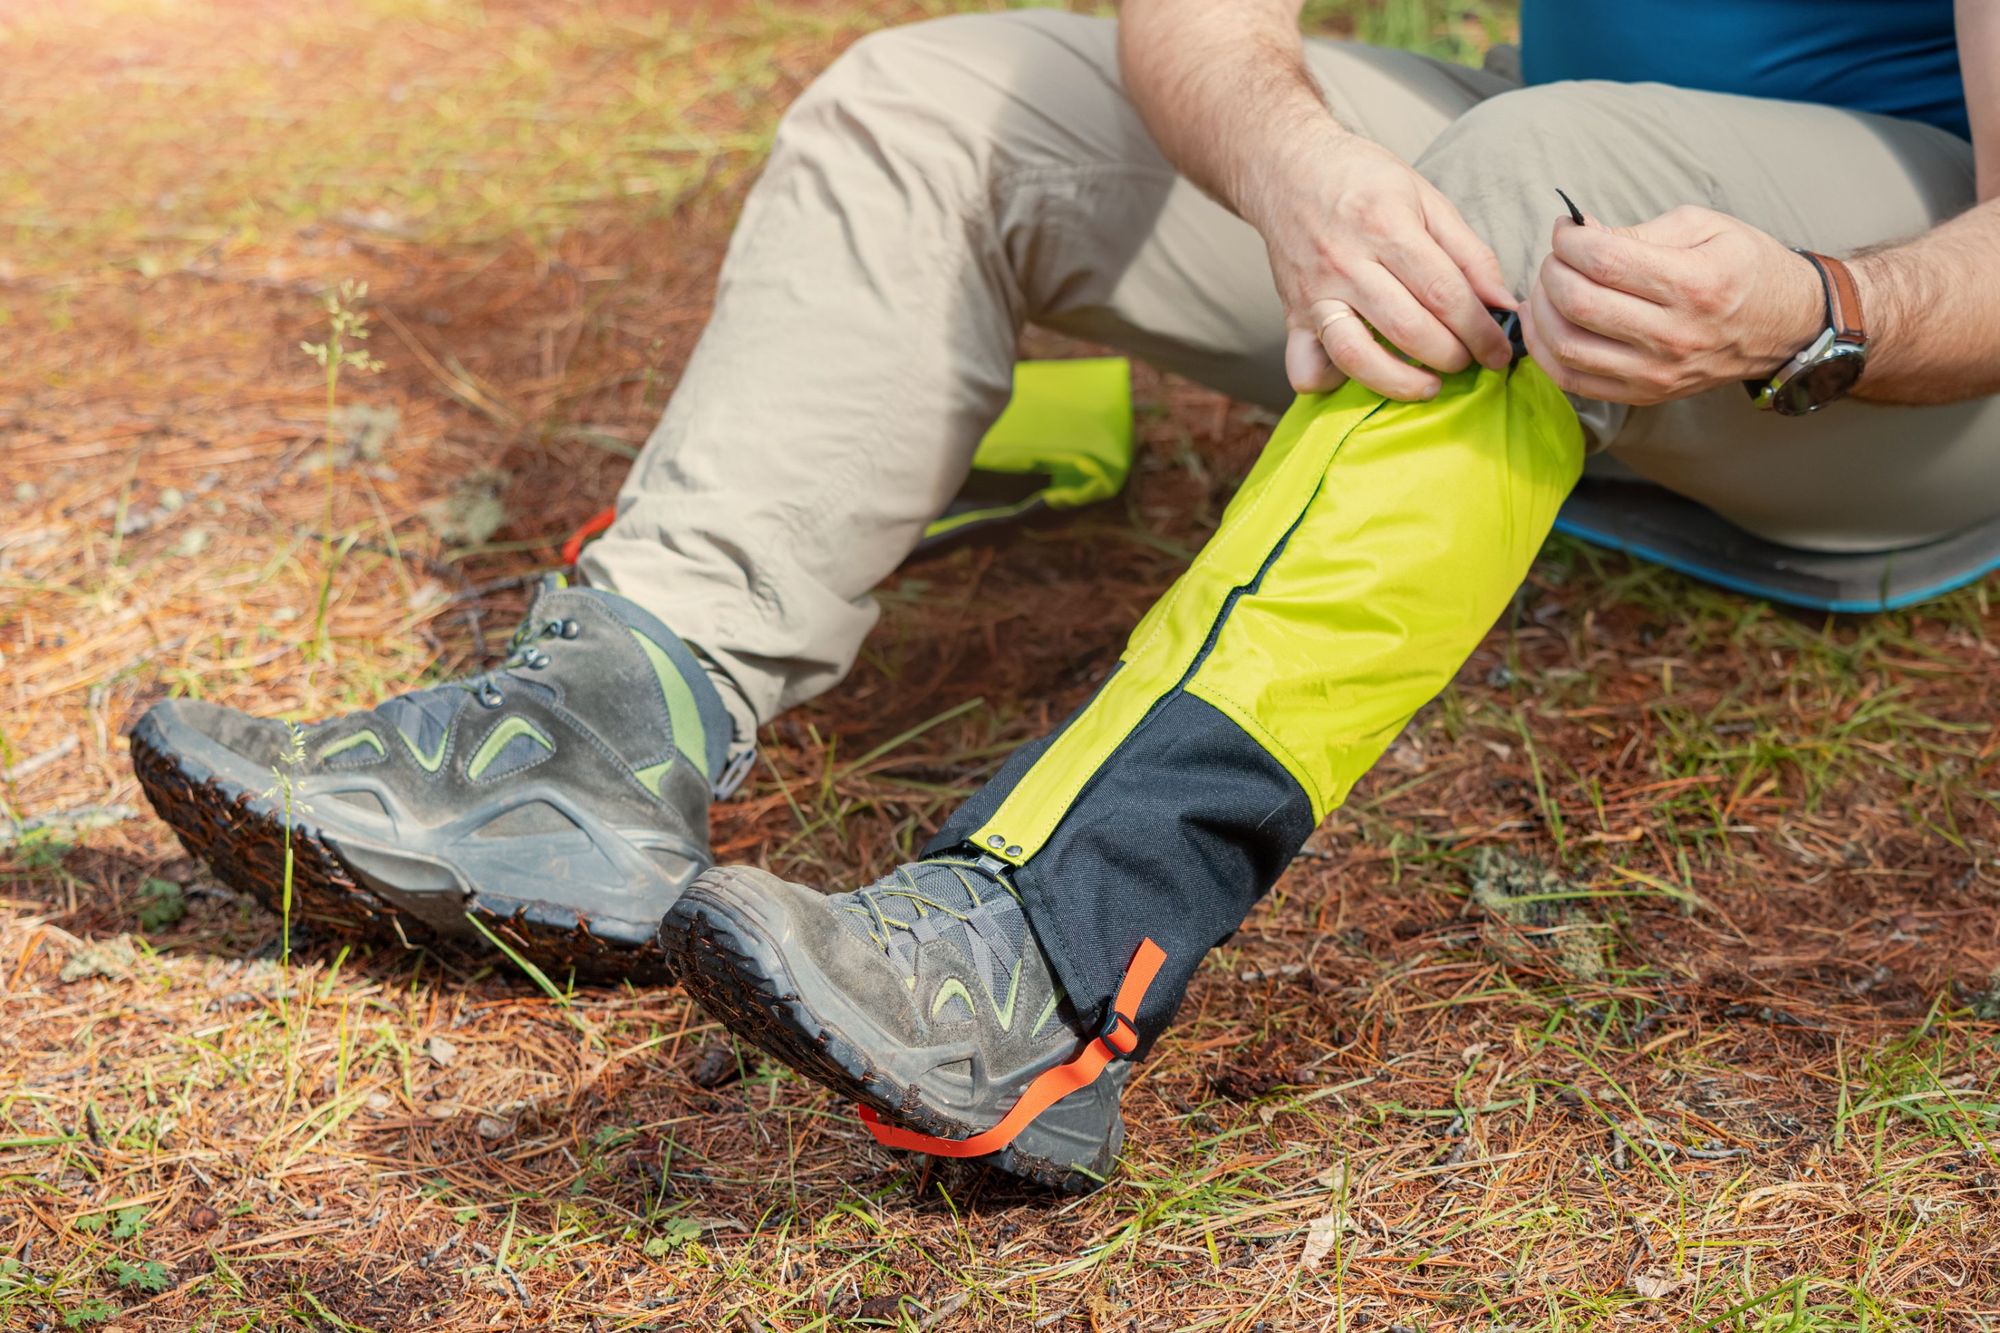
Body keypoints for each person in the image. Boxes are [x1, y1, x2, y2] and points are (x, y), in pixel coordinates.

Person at [134, 0, 2000, 1190]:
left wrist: (1818, 313)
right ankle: (596, 737)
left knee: (1537, 169)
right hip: (1594, 245)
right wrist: (1300, 169)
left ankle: (1050, 946)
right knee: (938, 101)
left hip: (1885, 355)